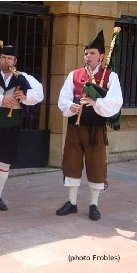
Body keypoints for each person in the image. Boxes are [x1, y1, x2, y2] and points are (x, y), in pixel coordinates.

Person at [56, 30, 123, 221]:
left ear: (101, 56)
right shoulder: (74, 74)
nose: (88, 57)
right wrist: (71, 105)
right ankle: (72, 202)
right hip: (75, 128)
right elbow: (63, 98)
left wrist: (95, 103)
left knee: (96, 166)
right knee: (71, 163)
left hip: (96, 130)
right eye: (86, 53)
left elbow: (116, 101)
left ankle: (94, 204)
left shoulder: (110, 76)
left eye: (92, 53)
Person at [0, 41, 44, 216]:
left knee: (5, 162)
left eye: (10, 58)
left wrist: (25, 96)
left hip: (12, 125)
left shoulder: (22, 76)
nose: (6, 61)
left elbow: (39, 93)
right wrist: (1, 100)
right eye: (3, 57)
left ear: (15, 60)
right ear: (0, 59)